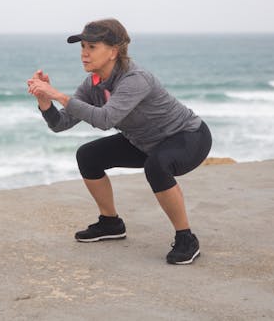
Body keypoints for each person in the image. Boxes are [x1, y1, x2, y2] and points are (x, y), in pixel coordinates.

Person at [27, 18, 212, 265]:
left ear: (113, 51)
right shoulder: (92, 84)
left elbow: (105, 119)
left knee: (156, 165)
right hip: (144, 142)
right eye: (82, 47)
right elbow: (60, 124)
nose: (84, 54)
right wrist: (45, 102)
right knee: (88, 156)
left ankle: (186, 238)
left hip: (188, 137)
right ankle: (110, 223)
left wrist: (59, 95)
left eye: (92, 47)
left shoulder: (135, 79)